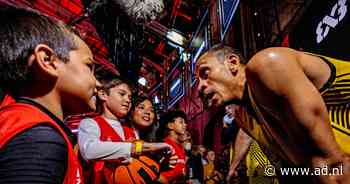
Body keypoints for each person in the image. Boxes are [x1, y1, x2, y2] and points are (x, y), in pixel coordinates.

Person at [195, 44, 350, 184]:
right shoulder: (242, 115)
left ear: (233, 63)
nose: (199, 87)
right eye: (197, 80)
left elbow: (334, 167)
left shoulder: (267, 65)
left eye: (205, 73)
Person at [0, 5, 98, 183]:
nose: (97, 83)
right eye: (89, 67)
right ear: (47, 61)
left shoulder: (21, 122)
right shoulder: (39, 140)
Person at [78, 76, 172, 183]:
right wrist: (135, 148)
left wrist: (161, 163)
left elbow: (140, 167)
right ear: (103, 94)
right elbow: (89, 150)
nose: (127, 100)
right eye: (122, 94)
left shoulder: (131, 131)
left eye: (130, 97)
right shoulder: (90, 123)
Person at [157, 110, 188, 183]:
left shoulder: (181, 148)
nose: (185, 125)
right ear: (170, 125)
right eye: (181, 122)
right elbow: (156, 175)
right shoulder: (164, 146)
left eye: (185, 122)